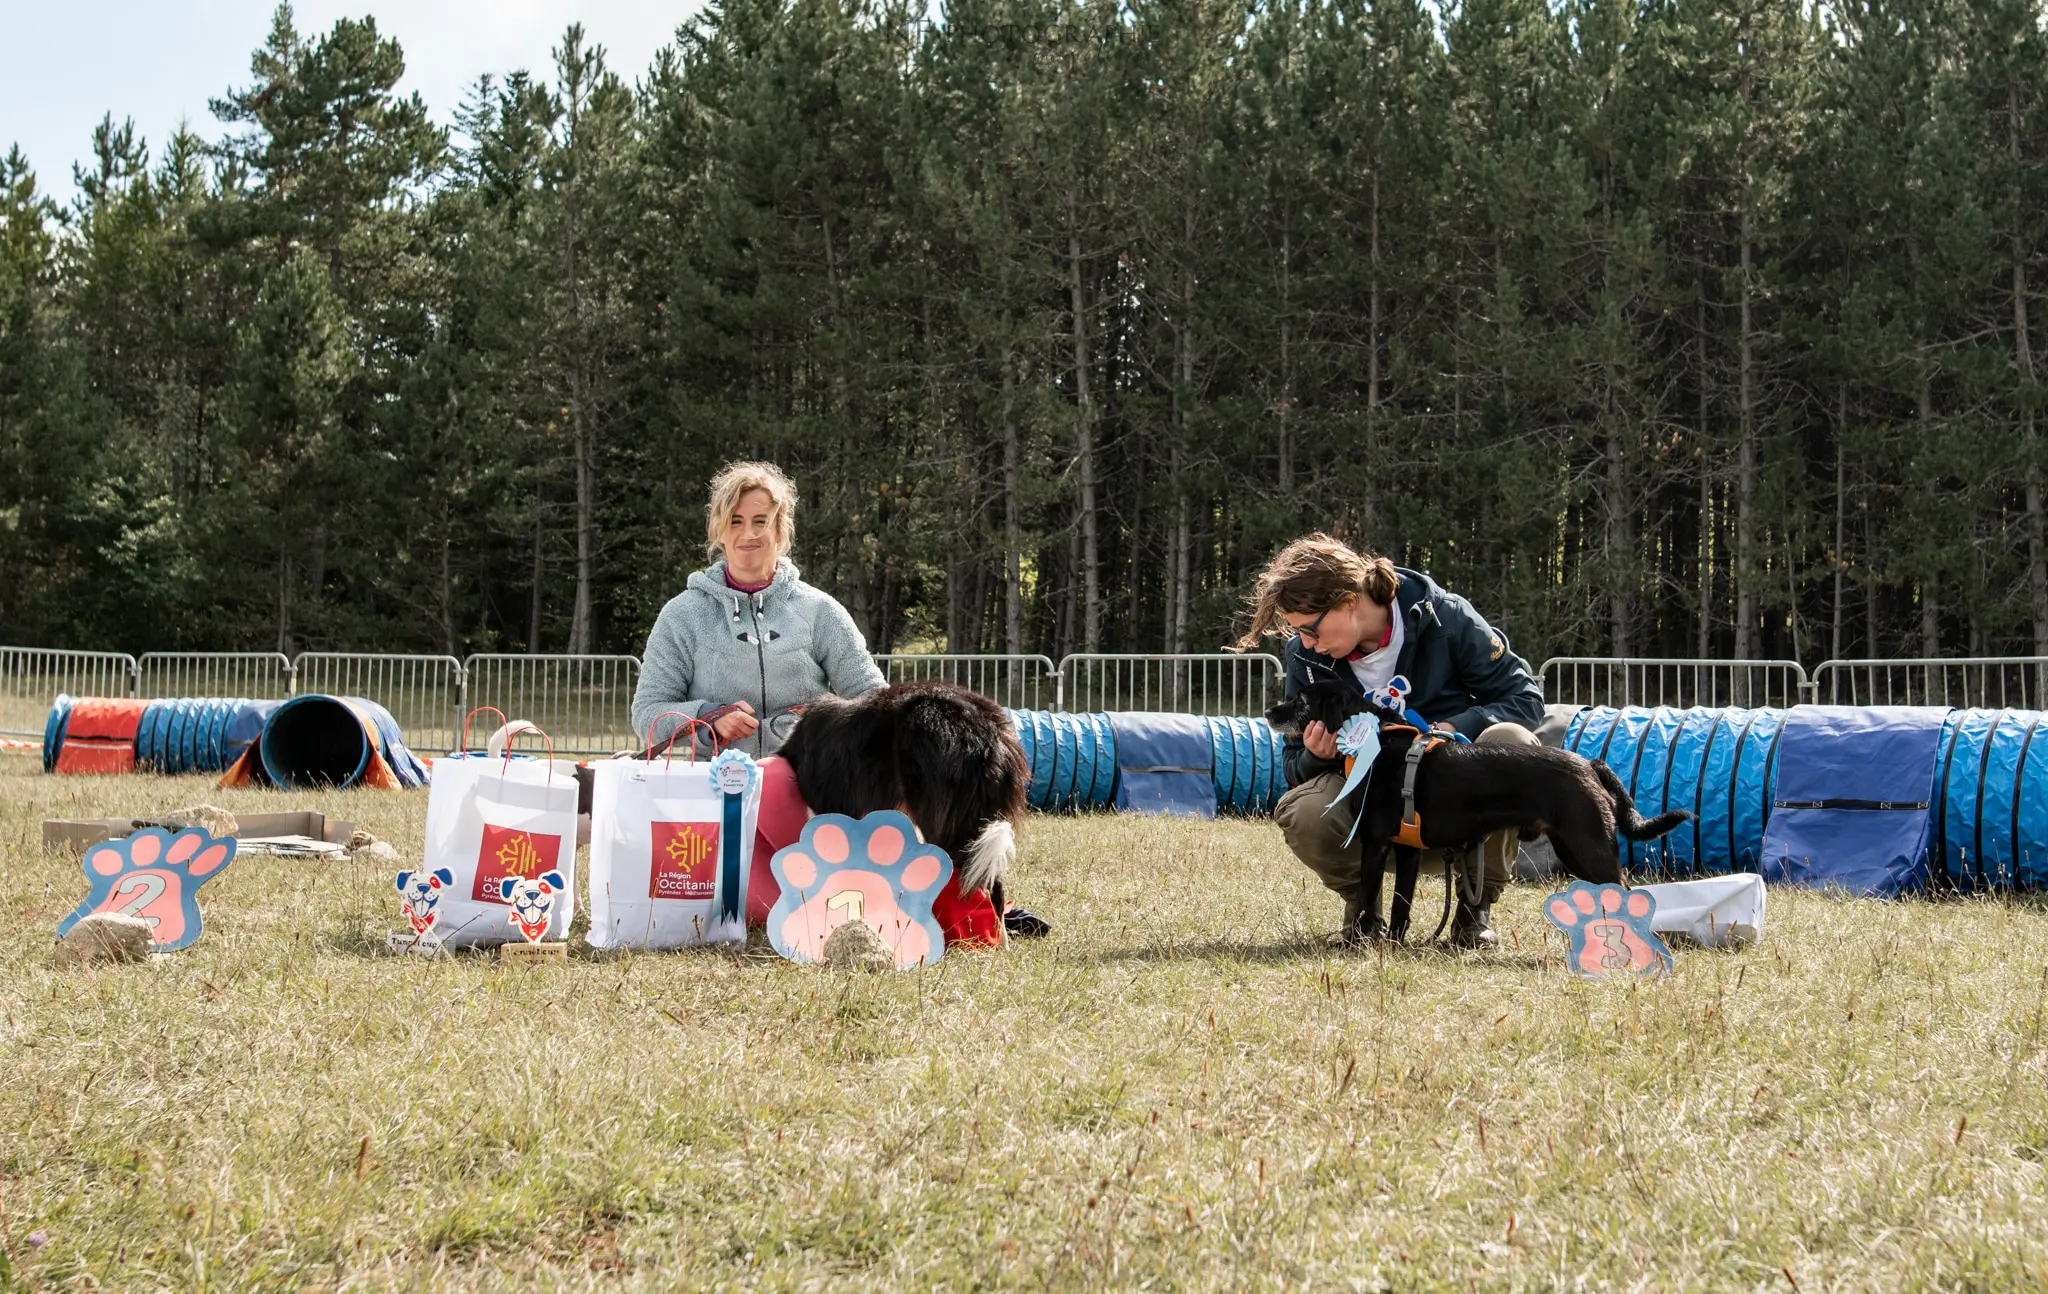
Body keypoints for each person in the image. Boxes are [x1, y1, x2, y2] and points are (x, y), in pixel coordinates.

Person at [1233, 534, 1544, 948]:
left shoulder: (1444, 617)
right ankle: (1365, 914)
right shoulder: (1304, 657)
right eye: (1298, 632)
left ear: (1348, 600)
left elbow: (1525, 699)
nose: (1305, 642)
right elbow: (1292, 767)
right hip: (1372, 802)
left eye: (1310, 628)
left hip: (1453, 797)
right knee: (1304, 810)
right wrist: (1313, 755)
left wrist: (1453, 728)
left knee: (1514, 741)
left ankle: (1475, 910)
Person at [632, 460, 885, 759]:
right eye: (735, 521)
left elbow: (876, 703)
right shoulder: (682, 616)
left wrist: (824, 721)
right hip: (713, 792)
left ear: (780, 530)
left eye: (760, 521)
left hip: (808, 789)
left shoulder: (821, 611)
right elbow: (648, 712)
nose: (748, 533)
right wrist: (707, 718)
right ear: (719, 530)